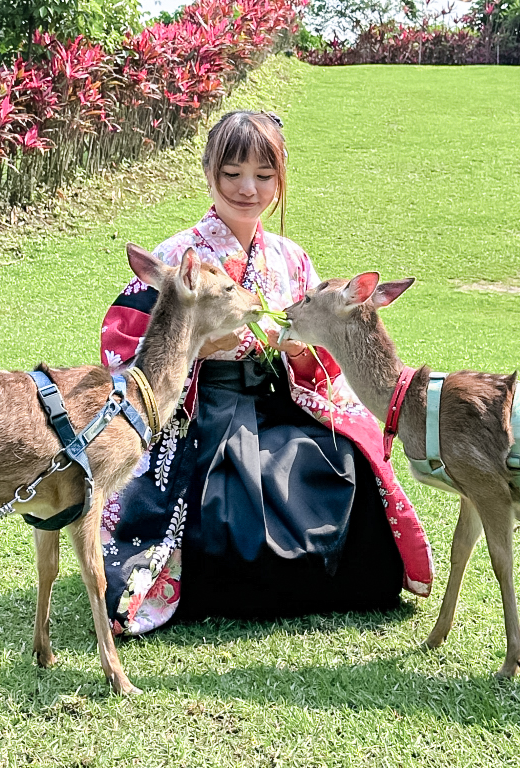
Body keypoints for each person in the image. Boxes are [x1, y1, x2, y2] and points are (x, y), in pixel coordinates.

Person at [99, 110, 433, 635]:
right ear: (209, 172)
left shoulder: (291, 258)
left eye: (264, 175)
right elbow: (124, 351)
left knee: (346, 465)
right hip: (197, 415)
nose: (247, 188)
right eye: (232, 173)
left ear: (280, 180)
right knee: (218, 506)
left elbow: (330, 346)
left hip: (280, 403)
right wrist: (200, 348)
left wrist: (299, 355)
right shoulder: (177, 258)